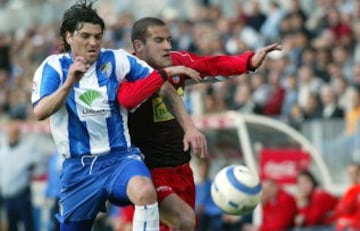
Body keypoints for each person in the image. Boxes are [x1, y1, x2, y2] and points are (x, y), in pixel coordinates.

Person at [30, 1, 200, 231]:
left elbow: (162, 86)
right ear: (69, 36)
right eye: (86, 36)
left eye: (98, 37)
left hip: (120, 158)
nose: (93, 43)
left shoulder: (117, 60)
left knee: (144, 191)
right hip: (80, 169)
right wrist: (69, 83)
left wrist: (189, 126)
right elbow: (40, 111)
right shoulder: (53, 67)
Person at [125, 17, 282, 230]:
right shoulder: (126, 72)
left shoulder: (178, 61)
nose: (168, 46)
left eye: (169, 40)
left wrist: (248, 62)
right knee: (184, 220)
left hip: (182, 169)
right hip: (148, 172)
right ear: (139, 46)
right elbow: (133, 97)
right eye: (159, 40)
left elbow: (210, 65)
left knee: (186, 224)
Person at [0, 120, 43, 231]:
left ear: (19, 134)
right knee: (11, 224)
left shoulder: (27, 149)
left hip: (22, 194)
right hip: (7, 195)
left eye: (14, 132)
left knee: (28, 224)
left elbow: (40, 166)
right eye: (10, 132)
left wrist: (32, 173)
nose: (12, 135)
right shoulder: (2, 151)